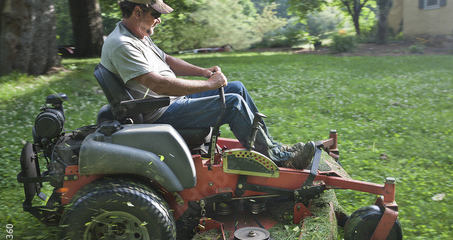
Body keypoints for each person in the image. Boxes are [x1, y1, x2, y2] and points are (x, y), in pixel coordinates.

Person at [101, 0, 315, 169]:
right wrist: (210, 84)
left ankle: (272, 146)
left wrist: (203, 72)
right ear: (137, 12)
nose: (159, 20)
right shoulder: (122, 45)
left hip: (170, 101)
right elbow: (158, 85)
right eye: (155, 14)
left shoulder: (138, 35)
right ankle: (277, 158)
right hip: (160, 112)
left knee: (236, 87)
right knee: (233, 103)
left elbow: (167, 60)